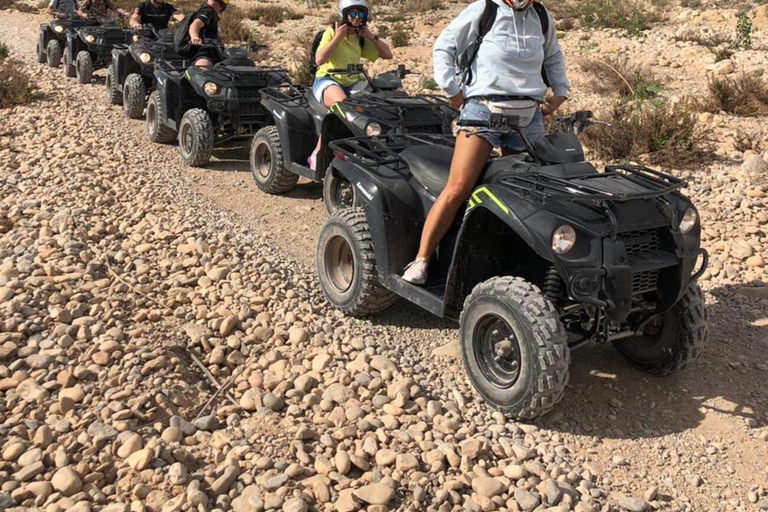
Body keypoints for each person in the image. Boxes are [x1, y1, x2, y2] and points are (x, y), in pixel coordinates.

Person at [402, 0, 570, 285]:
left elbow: (552, 55)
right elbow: (445, 46)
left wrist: (560, 92)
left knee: (529, 193)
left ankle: (520, 263)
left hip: (528, 115)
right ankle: (421, 259)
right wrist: (452, 91)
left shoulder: (540, 16)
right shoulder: (485, 9)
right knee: (458, 187)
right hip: (483, 110)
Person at [308, 0, 393, 170]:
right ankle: (318, 152)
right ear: (343, 14)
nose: (356, 18)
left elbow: (387, 55)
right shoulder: (330, 33)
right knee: (343, 104)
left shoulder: (359, 38)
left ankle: (370, 147)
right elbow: (319, 59)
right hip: (328, 79)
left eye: (360, 14)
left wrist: (371, 36)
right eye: (352, 14)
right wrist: (338, 36)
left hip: (352, 81)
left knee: (374, 104)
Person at [185, 0, 228, 67]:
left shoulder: (210, 12)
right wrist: (194, 37)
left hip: (214, 53)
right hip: (205, 52)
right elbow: (195, 25)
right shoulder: (208, 11)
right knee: (204, 67)